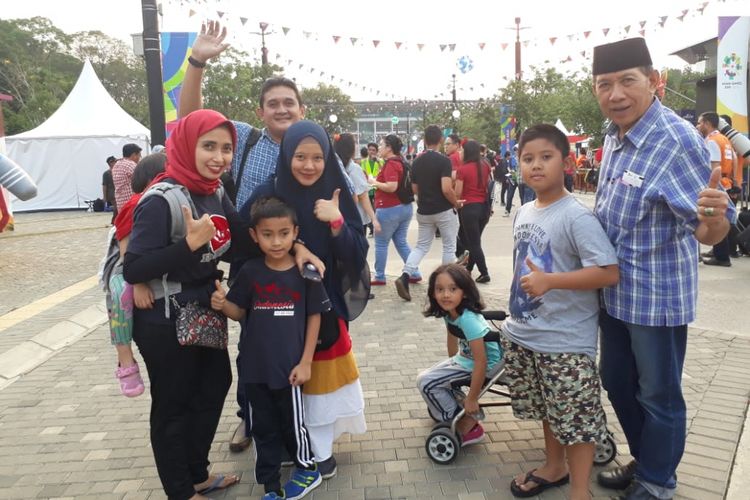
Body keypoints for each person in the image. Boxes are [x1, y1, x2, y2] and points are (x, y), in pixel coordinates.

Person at [591, 38, 734, 500]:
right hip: (613, 292)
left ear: (654, 83)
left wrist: (714, 218)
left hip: (655, 298)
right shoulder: (614, 136)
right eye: (604, 84)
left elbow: (710, 232)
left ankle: (657, 483)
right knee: (615, 382)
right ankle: (648, 459)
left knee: (659, 396)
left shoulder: (674, 140)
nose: (615, 94)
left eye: (627, 81)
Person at [179, 20, 309, 453]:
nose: (281, 109)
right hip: (249, 264)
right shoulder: (244, 142)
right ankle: (250, 420)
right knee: (253, 342)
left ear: (301, 109)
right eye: (273, 103)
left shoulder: (314, 149)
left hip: (297, 265)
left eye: (289, 102)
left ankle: (304, 416)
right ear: (261, 112)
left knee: (301, 341)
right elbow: (191, 124)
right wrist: (196, 62)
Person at [123, 109, 251, 500]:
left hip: (203, 313)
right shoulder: (161, 200)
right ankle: (180, 491)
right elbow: (134, 268)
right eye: (208, 146)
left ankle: (197, 474)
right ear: (186, 145)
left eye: (226, 148)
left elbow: (242, 241)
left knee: (214, 386)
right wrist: (189, 245)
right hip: (165, 320)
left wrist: (289, 245)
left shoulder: (214, 190)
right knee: (174, 405)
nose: (219, 157)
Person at [244, 120, 368, 480]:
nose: (309, 165)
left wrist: (337, 223)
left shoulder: (336, 192)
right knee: (284, 377)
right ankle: (292, 443)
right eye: (300, 156)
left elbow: (356, 255)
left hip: (322, 310)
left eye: (317, 157)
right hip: (276, 310)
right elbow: (244, 238)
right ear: (287, 155)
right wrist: (295, 244)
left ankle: (320, 451)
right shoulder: (269, 194)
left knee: (319, 383)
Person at [502, 124, 620, 500]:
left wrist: (552, 282)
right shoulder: (523, 212)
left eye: (546, 157)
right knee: (550, 411)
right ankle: (554, 467)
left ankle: (580, 490)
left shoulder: (576, 216)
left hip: (566, 342)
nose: (536, 165)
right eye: (528, 158)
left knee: (578, 420)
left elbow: (608, 272)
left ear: (566, 162)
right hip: (527, 333)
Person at [211, 196, 329, 500]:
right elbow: (239, 312)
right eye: (267, 234)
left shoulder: (307, 272)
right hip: (253, 368)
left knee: (294, 425)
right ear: (254, 235)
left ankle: (307, 468)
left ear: (295, 232)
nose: (276, 242)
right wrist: (224, 305)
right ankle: (270, 484)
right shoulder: (250, 271)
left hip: (289, 368)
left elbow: (314, 317)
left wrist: (306, 362)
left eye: (284, 234)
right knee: (262, 429)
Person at [416, 263, 502, 446]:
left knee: (426, 382)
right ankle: (457, 408)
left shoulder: (468, 319)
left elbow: (481, 360)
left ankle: (464, 423)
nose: (446, 295)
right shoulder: (450, 312)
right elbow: (452, 337)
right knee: (430, 379)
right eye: (440, 289)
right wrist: (451, 363)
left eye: (453, 289)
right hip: (466, 359)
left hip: (486, 364)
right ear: (432, 292)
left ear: (464, 291)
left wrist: (472, 398)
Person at [108, 153, 167, 399]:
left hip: (148, 267)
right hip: (126, 268)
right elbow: (125, 251)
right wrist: (138, 282)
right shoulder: (136, 204)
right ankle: (124, 358)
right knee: (121, 296)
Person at [394, 125, 461, 301]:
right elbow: (446, 188)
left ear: (424, 140)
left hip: (424, 210)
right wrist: (456, 203)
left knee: (421, 246)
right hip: (443, 210)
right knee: (448, 246)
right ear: (440, 140)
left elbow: (415, 189)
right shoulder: (444, 161)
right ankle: (449, 284)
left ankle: (405, 276)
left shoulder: (416, 161)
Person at [368, 134, 418, 286]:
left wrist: (374, 182)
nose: (380, 148)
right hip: (405, 207)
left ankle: (380, 276)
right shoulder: (401, 161)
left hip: (389, 208)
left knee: (381, 243)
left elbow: (391, 186)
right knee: (401, 242)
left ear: (389, 148)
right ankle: (414, 272)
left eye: (382, 145)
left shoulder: (391, 163)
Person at [696, 112, 739, 267]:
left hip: (717, 185)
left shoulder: (712, 141)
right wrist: (735, 182)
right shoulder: (725, 139)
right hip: (727, 183)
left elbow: (714, 167)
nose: (698, 126)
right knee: (725, 219)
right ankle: (720, 252)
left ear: (707, 124)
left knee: (715, 220)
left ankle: (721, 256)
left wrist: (710, 187)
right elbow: (734, 160)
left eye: (700, 123)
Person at [455, 140, 492, 283]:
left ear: (467, 152)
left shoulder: (462, 169)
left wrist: (454, 202)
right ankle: (469, 269)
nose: (460, 153)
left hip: (469, 208)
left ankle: (484, 272)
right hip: (484, 207)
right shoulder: (485, 165)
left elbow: (458, 193)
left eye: (462, 150)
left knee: (473, 243)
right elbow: (489, 186)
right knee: (474, 241)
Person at [334, 133, 379, 235]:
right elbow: (363, 197)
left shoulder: (334, 167)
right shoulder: (354, 169)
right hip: (356, 218)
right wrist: (373, 218)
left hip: (337, 217)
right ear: (351, 149)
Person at [360, 142, 383, 237]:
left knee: (377, 208)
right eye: (370, 150)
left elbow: (384, 171)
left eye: (373, 150)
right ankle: (371, 228)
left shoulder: (380, 161)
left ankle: (376, 227)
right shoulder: (363, 162)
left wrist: (378, 162)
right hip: (368, 187)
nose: (371, 152)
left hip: (378, 187)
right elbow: (362, 173)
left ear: (377, 152)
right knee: (368, 209)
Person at [112, 143, 142, 211]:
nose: (139, 158)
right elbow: (141, 181)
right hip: (131, 203)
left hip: (120, 203)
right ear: (134, 155)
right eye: (139, 155)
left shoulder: (116, 164)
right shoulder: (131, 165)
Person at [103, 156, 117, 222]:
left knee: (118, 207)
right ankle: (114, 220)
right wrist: (105, 197)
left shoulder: (118, 171)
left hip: (118, 192)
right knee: (116, 207)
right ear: (110, 163)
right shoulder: (106, 173)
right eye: (114, 161)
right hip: (111, 193)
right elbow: (104, 185)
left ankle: (115, 220)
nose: (115, 162)